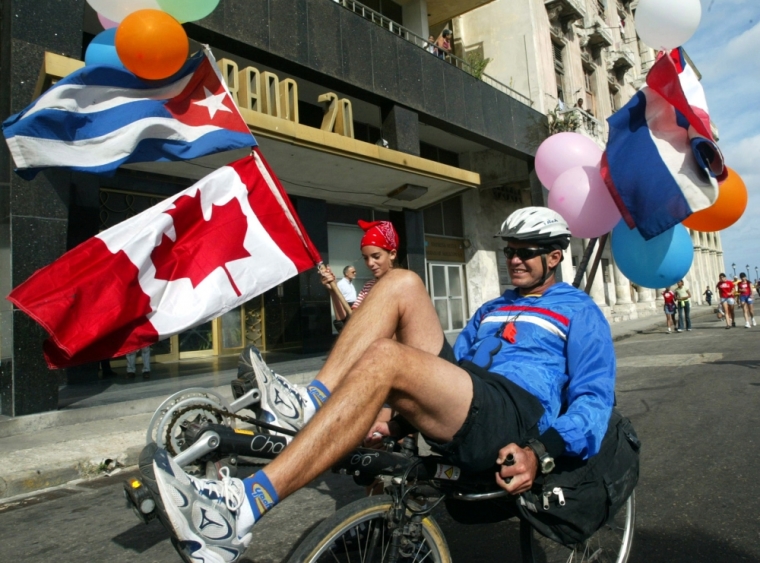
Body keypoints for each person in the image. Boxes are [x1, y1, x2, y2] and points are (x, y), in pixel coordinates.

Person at [151, 207, 616, 563]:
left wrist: (543, 450)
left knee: (385, 357)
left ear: (555, 256)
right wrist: (395, 422)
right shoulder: (492, 308)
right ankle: (309, 402)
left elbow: (594, 400)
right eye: (508, 250)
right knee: (400, 283)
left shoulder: (578, 310)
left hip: (515, 413)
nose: (513, 259)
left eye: (526, 251)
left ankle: (240, 510)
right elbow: (454, 377)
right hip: (472, 394)